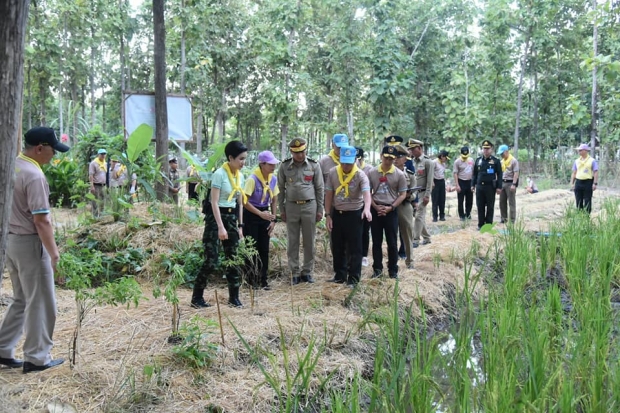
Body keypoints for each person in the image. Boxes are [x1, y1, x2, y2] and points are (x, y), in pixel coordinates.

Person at [0, 126, 68, 373]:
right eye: (52, 151)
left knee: (21, 298)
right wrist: (54, 254)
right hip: (29, 243)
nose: (54, 156)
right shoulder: (34, 175)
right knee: (40, 301)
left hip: (10, 241)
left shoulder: (13, 165)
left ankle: (3, 349)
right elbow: (42, 220)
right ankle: (37, 357)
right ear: (40, 148)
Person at [193, 141, 248, 308]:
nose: (243, 162)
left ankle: (234, 297)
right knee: (212, 260)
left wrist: (240, 226)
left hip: (231, 218)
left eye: (245, 159)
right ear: (230, 158)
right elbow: (214, 202)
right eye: (240, 159)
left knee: (233, 258)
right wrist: (220, 227)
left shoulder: (240, 176)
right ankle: (197, 297)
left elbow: (240, 203)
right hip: (216, 219)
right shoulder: (219, 174)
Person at [278, 138, 324, 285]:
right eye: (297, 153)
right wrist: (281, 209)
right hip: (291, 207)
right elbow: (279, 189)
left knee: (309, 240)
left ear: (306, 150)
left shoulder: (314, 165)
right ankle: (294, 272)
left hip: (310, 206)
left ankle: (307, 271)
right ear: (291, 152)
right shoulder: (285, 166)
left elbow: (319, 188)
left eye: (302, 152)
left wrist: (320, 209)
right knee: (293, 241)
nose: (300, 155)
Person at [325, 146, 372, 286]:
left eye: (349, 163)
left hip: (355, 215)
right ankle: (340, 275)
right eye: (343, 162)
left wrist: (367, 209)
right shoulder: (333, 173)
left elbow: (366, 194)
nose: (346, 166)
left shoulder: (360, 175)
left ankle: (353, 278)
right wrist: (328, 214)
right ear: (339, 160)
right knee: (338, 246)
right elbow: (328, 195)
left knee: (355, 248)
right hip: (338, 214)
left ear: (355, 161)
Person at [367, 145, 408, 279]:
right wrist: (375, 206)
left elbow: (402, 194)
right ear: (381, 156)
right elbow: (367, 192)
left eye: (391, 158)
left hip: (391, 210)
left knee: (392, 242)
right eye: (386, 157)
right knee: (376, 241)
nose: (388, 160)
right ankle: (377, 269)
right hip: (376, 210)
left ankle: (393, 270)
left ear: (394, 159)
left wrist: (392, 207)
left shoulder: (399, 174)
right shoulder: (372, 172)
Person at [243, 151, 279, 290]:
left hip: (265, 214)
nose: (273, 166)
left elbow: (274, 199)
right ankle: (250, 280)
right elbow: (244, 201)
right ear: (262, 164)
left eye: (274, 164)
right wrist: (259, 214)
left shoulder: (273, 179)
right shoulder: (252, 179)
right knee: (252, 248)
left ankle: (263, 280)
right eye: (270, 164)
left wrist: (273, 218)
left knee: (264, 249)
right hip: (252, 214)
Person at [393, 145, 416, 269]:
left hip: (404, 206)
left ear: (405, 159)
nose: (396, 159)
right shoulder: (388, 172)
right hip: (391, 206)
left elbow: (415, 193)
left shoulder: (410, 174)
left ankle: (410, 260)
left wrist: (409, 196)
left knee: (407, 233)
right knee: (391, 234)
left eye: (399, 157)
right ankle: (392, 262)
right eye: (394, 157)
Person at [408, 139, 434, 247]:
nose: (412, 151)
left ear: (419, 148)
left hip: (423, 192)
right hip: (414, 193)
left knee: (419, 215)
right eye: (411, 149)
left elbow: (430, 180)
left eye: (413, 149)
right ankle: (427, 237)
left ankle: (415, 240)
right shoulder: (412, 162)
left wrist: (427, 195)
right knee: (418, 215)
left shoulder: (428, 162)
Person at [472, 140, 502, 229]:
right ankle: (481, 225)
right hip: (480, 187)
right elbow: (475, 174)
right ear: (482, 149)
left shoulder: (495, 161)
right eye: (484, 148)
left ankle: (488, 225)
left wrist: (499, 187)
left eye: (488, 149)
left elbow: (499, 175)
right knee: (480, 206)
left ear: (491, 149)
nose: (486, 150)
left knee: (490, 206)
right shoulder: (478, 160)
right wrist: (472, 185)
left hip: (490, 187)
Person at [570, 143, 599, 214]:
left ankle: (587, 217)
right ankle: (580, 215)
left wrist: (595, 183)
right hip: (578, 182)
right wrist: (572, 183)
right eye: (579, 150)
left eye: (580, 150)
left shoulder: (592, 160)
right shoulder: (576, 161)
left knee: (587, 200)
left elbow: (595, 172)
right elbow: (574, 172)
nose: (579, 152)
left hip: (588, 182)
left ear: (585, 151)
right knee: (578, 200)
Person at [356, 147, 373, 267]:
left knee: (365, 231)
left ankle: (364, 256)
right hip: (353, 204)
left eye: (359, 159)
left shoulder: (369, 169)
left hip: (366, 203)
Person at [497, 145, 520, 224]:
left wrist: (514, 184)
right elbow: (500, 173)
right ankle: (504, 218)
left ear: (506, 152)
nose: (501, 155)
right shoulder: (502, 162)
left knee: (511, 202)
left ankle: (512, 220)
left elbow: (516, 173)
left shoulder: (513, 161)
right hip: (503, 182)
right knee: (502, 202)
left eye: (502, 153)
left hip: (510, 183)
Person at [453, 146, 474, 220]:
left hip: (469, 182)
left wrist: (473, 184)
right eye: (463, 156)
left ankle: (468, 213)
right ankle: (461, 215)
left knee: (469, 199)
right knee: (460, 200)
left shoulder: (471, 160)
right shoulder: (457, 161)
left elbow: (474, 171)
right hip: (461, 182)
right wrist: (457, 185)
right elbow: (455, 173)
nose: (465, 157)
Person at [89, 148, 108, 217]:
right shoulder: (93, 163)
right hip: (96, 185)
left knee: (102, 200)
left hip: (103, 185)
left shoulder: (105, 163)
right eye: (102, 154)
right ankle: (95, 215)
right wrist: (92, 185)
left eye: (104, 154)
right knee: (95, 200)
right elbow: (91, 175)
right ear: (98, 154)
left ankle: (102, 214)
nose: (103, 155)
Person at [432, 150, 449, 222]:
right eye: (445, 157)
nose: (446, 159)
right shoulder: (434, 162)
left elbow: (443, 173)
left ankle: (442, 216)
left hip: (442, 182)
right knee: (435, 200)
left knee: (442, 200)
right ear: (442, 156)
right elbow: (431, 173)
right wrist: (432, 182)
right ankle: (435, 217)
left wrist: (446, 183)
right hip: (435, 182)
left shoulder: (443, 164)